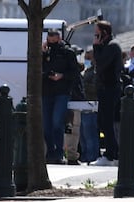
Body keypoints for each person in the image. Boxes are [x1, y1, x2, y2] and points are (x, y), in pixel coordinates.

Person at [42, 29, 78, 164]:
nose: (51, 40)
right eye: (49, 38)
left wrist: (62, 76)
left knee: (57, 123)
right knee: (46, 126)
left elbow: (74, 72)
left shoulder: (67, 52)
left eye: (54, 38)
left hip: (62, 91)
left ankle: (58, 153)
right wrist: (41, 53)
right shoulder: (44, 53)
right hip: (46, 91)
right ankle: (51, 152)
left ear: (59, 38)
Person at [90, 20, 123, 166]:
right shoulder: (106, 46)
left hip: (110, 88)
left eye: (97, 32)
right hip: (104, 89)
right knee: (103, 122)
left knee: (107, 122)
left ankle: (111, 155)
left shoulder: (112, 46)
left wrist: (96, 47)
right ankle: (111, 152)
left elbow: (101, 63)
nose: (95, 35)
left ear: (103, 32)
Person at [64, 44, 86, 165]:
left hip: (75, 100)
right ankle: (71, 155)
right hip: (70, 100)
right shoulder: (71, 68)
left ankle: (71, 154)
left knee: (73, 130)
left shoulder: (76, 69)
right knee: (71, 129)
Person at [79, 48, 100, 164]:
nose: (87, 60)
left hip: (91, 105)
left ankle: (92, 156)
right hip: (82, 104)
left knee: (89, 132)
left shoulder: (95, 71)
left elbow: (95, 87)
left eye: (89, 58)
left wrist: (83, 85)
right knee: (83, 133)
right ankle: (85, 155)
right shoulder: (85, 70)